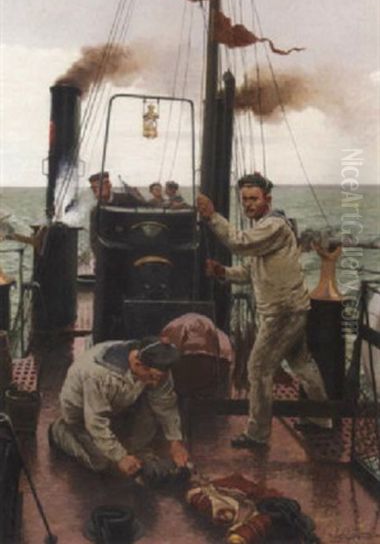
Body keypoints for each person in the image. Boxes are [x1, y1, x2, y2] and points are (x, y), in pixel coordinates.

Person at [196, 172, 331, 449]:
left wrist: (212, 216)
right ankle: (321, 419)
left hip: (282, 311)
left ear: (267, 199)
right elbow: (249, 271)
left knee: (258, 368)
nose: (248, 204)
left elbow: (239, 242)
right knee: (302, 363)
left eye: (254, 198)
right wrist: (223, 271)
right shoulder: (264, 229)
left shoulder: (274, 226)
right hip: (291, 308)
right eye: (244, 199)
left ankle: (257, 435)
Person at [48, 338, 189, 476]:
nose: (155, 383)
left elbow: (165, 403)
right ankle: (59, 430)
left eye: (159, 378)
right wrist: (120, 457)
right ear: (137, 363)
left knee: (139, 447)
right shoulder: (97, 374)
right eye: (151, 377)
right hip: (81, 415)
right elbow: (96, 421)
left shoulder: (158, 367)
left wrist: (175, 442)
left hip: (117, 406)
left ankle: (128, 443)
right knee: (102, 463)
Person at [88, 171, 145, 255]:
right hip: (111, 254)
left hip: (132, 250)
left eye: (100, 186)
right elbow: (94, 240)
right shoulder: (96, 211)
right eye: (93, 188)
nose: (96, 190)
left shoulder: (126, 199)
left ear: (109, 185)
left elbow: (147, 208)